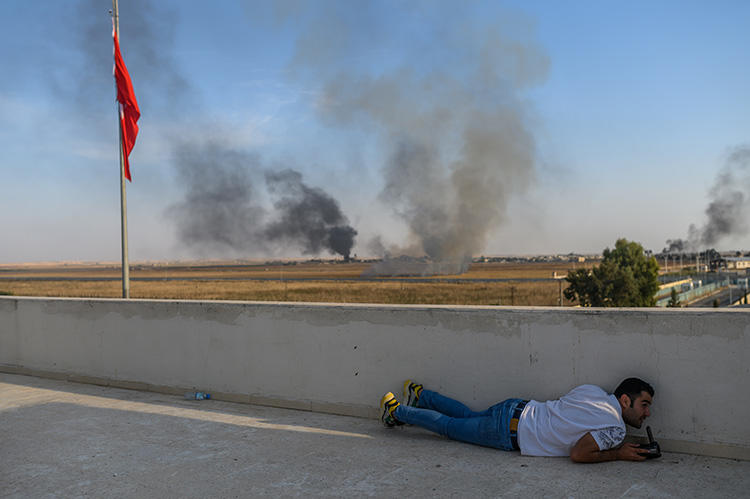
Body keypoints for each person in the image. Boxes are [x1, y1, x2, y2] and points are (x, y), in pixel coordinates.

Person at [380, 377, 654, 463]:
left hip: (517, 407)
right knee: (450, 427)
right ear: (625, 401)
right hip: (508, 432)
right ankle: (396, 411)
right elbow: (579, 454)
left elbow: (566, 412)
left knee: (466, 415)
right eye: (644, 405)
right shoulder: (616, 429)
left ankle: (421, 395)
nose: (647, 413)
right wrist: (618, 454)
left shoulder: (593, 391)